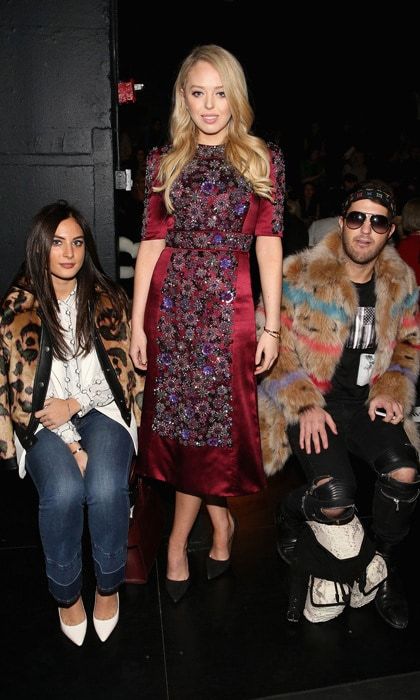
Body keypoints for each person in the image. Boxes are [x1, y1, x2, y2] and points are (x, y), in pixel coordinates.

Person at [130, 44, 284, 602]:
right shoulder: (163, 161)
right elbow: (150, 246)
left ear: (235, 96)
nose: (210, 105)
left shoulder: (262, 159)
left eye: (220, 92)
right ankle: (212, 528)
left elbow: (269, 244)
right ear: (183, 98)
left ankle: (180, 541)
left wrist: (271, 325)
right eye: (198, 92)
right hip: (171, 309)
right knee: (178, 428)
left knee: (213, 428)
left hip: (231, 309)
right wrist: (135, 325)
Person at [258, 182, 420, 629]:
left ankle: (383, 570)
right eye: (357, 218)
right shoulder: (300, 273)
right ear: (342, 220)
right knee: (335, 495)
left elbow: (409, 345)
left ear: (391, 231)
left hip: (366, 403)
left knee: (404, 473)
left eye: (378, 221)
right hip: (312, 403)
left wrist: (392, 387)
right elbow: (271, 349)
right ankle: (291, 511)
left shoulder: (401, 281)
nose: (366, 230)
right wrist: (306, 404)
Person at [0, 201, 144, 645]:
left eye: (77, 242)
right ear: (40, 248)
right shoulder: (17, 308)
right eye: (58, 243)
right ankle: (66, 595)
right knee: (64, 491)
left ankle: (107, 584)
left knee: (104, 488)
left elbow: (119, 378)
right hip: (43, 423)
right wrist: (73, 444)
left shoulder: (108, 298)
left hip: (103, 410)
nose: (68, 253)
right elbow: (32, 396)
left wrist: (77, 405)